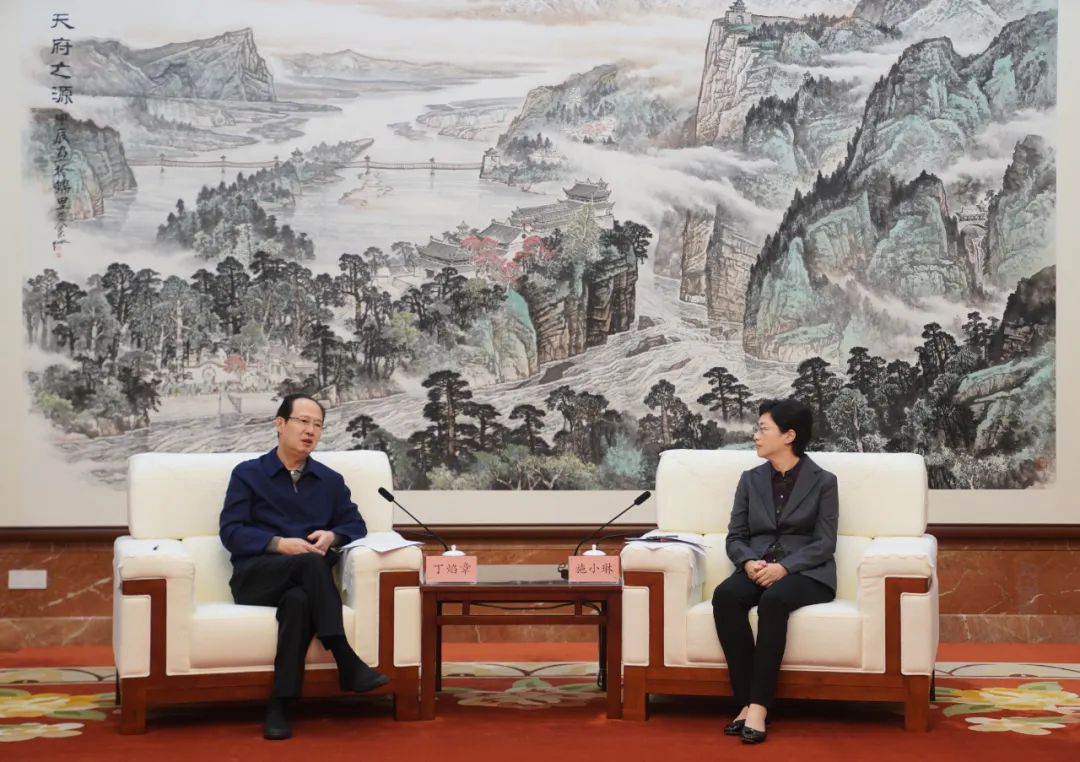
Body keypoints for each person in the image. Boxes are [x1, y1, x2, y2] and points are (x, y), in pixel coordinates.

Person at [219, 393, 389, 741]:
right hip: (257, 578)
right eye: (303, 422)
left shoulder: (329, 480)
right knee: (310, 563)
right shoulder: (248, 474)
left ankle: (279, 706)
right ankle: (345, 658)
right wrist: (279, 544)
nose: (310, 431)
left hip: (307, 584)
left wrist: (332, 535)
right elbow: (231, 531)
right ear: (280, 424)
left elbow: (355, 525)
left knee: (299, 601)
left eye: (318, 425)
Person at [711, 398, 838, 744]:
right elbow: (735, 536)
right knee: (726, 596)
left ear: (789, 436)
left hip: (807, 573)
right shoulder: (750, 480)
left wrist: (784, 568)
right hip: (759, 565)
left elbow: (825, 543)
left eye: (763, 429)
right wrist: (748, 562)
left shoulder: (824, 482)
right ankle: (746, 702)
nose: (755, 435)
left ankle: (759, 708)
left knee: (774, 601)